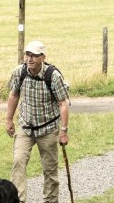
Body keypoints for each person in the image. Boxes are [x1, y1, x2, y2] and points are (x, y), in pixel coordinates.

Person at [5, 40, 70, 203]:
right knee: (18, 161)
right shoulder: (19, 73)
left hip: (47, 129)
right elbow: (13, 95)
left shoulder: (53, 76)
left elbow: (63, 103)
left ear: (42, 57)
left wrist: (63, 130)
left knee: (50, 170)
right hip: (25, 127)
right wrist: (8, 120)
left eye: (34, 55)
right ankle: (18, 200)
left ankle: (50, 200)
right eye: (28, 54)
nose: (30, 59)